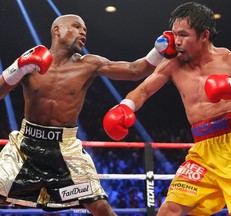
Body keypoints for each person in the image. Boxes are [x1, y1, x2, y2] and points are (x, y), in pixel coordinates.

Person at [103, 2, 231, 216]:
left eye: (183, 35)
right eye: (174, 34)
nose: (176, 41)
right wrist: (125, 107)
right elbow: (142, 91)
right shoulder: (173, 64)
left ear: (204, 35)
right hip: (202, 150)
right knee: (169, 210)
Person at [0, 14, 176, 216]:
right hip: (24, 147)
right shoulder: (30, 61)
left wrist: (159, 50)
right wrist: (17, 68)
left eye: (85, 29)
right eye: (76, 26)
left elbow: (135, 70)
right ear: (57, 30)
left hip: (66, 152)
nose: (83, 32)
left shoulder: (90, 64)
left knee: (100, 207)